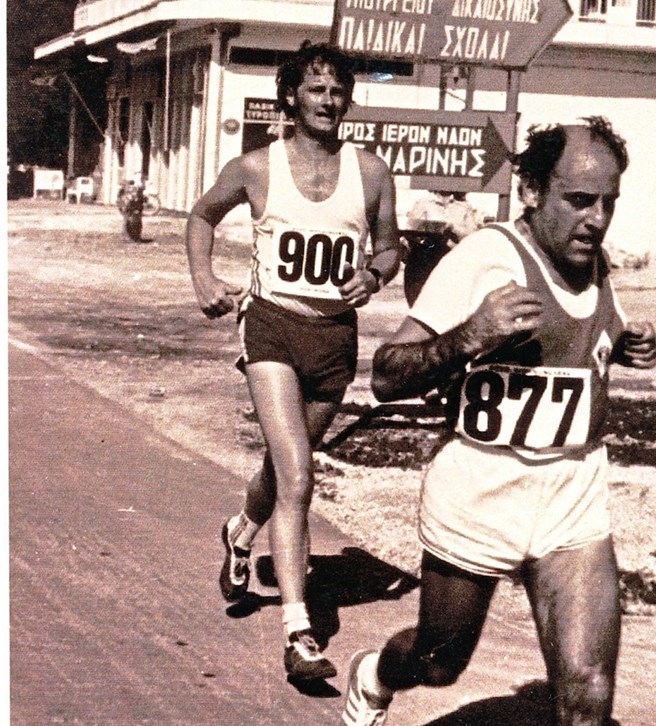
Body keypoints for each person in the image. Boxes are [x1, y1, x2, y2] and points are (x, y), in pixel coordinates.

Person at [341, 117, 656, 725]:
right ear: (533, 191)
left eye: (608, 203)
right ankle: (376, 673)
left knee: (588, 694)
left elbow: (587, 338)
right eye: (579, 200)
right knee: (439, 660)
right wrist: (469, 335)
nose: (595, 219)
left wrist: (626, 344)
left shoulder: (594, 259)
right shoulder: (485, 257)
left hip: (572, 492)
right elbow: (386, 374)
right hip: (480, 490)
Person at [186, 41, 401, 683]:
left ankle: (240, 533)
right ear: (291, 97)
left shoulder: (371, 172)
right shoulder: (256, 167)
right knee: (300, 475)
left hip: (335, 341)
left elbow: (391, 249)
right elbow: (202, 215)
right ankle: (299, 632)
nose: (329, 101)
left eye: (337, 91)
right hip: (272, 328)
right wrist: (204, 278)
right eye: (316, 90)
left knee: (283, 470)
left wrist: (375, 274)